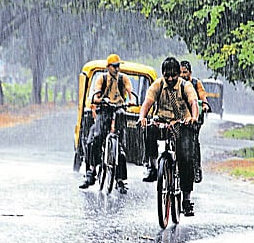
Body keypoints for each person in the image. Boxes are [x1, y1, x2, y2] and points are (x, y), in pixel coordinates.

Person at [138, 56, 199, 216]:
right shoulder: (157, 85)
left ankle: (186, 199)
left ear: (179, 73)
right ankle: (152, 166)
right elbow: (148, 102)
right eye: (167, 75)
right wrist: (142, 117)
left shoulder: (186, 86)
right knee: (148, 129)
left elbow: (193, 102)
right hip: (162, 121)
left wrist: (193, 117)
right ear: (162, 74)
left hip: (182, 123)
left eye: (173, 75)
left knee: (185, 158)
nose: (170, 78)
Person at [79, 54, 133, 192]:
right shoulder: (101, 78)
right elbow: (96, 95)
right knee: (96, 137)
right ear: (108, 67)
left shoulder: (123, 78)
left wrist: (131, 99)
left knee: (120, 146)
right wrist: (98, 99)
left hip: (119, 109)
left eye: (118, 66)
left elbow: (129, 90)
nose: (117, 69)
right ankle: (91, 171)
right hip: (104, 109)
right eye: (114, 66)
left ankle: (120, 180)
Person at [180, 60, 210, 183]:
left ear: (190, 72)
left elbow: (202, 95)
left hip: (194, 116)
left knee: (193, 140)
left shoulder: (195, 83)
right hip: (180, 116)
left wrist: (204, 104)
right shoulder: (176, 83)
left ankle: (197, 168)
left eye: (185, 72)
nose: (182, 75)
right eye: (180, 72)